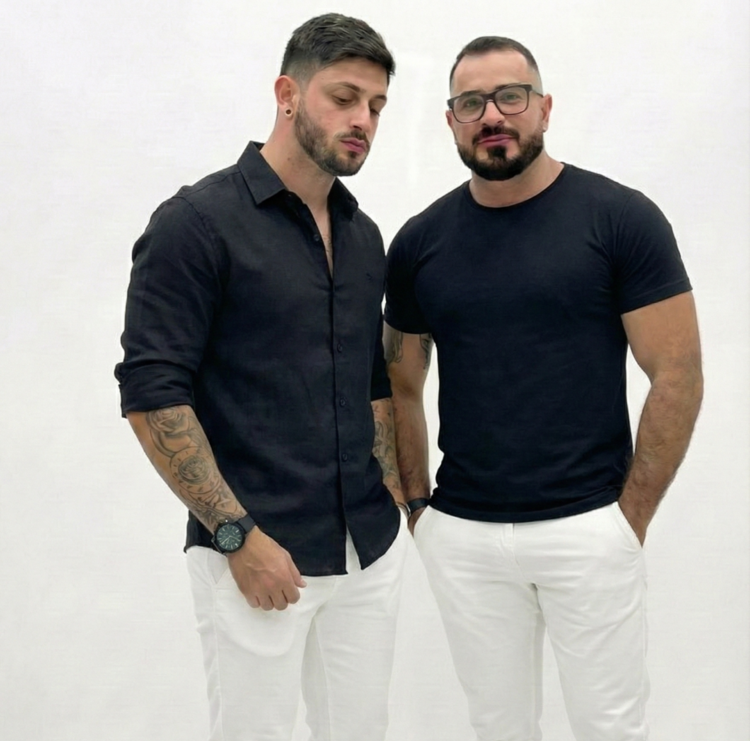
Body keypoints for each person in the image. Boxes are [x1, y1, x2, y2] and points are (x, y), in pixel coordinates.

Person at [384, 36, 703, 741]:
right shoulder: (419, 243)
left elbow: (677, 371)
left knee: (609, 726)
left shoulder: (619, 219)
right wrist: (419, 510)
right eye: (472, 103)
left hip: (589, 526)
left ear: (545, 107)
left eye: (511, 96)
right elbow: (399, 383)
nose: (493, 115)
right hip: (463, 533)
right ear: (451, 120)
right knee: (497, 726)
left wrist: (628, 518)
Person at [115, 14, 408, 741]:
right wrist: (235, 536)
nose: (363, 120)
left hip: (367, 550)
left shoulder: (363, 234)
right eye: (344, 97)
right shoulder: (196, 223)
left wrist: (391, 496)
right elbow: (153, 394)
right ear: (287, 94)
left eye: (376, 106)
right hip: (255, 553)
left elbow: (370, 377)